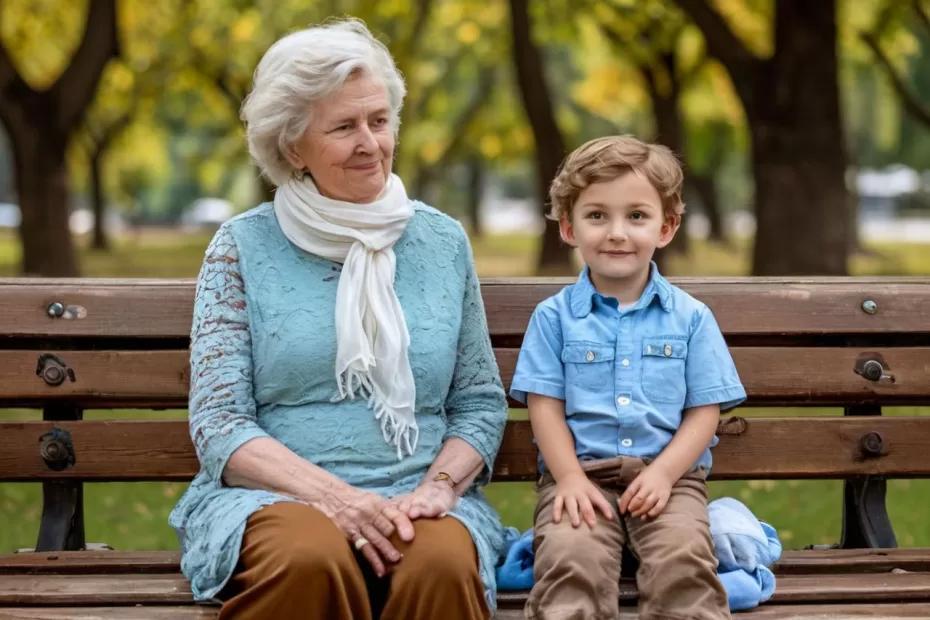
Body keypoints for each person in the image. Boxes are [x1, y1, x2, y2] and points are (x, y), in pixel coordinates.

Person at [168, 19, 507, 620]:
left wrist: (438, 490)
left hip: (422, 498)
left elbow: (478, 400)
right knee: (309, 556)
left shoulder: (441, 241)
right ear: (292, 145)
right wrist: (337, 499)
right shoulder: (241, 245)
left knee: (439, 564)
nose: (370, 143)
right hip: (273, 500)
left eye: (379, 121)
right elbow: (219, 422)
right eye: (344, 127)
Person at [509, 135, 747, 620]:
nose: (617, 233)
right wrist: (570, 478)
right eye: (597, 216)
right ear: (569, 227)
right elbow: (545, 408)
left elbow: (704, 412)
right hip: (581, 478)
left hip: (670, 480)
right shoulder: (554, 319)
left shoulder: (691, 317)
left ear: (667, 226)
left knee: (683, 559)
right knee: (570, 560)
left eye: (636, 216)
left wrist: (663, 473)